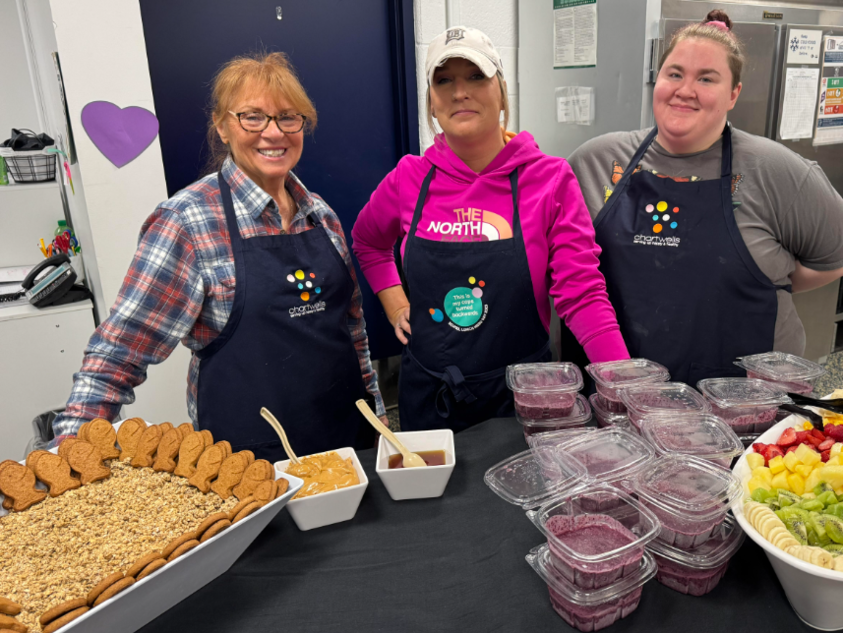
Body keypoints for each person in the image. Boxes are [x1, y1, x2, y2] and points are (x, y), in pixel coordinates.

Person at [52, 52, 382, 458]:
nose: (273, 132)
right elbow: (118, 354)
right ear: (222, 126)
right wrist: (70, 456)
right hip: (249, 464)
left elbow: (352, 331)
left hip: (349, 447)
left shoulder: (321, 216)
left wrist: (378, 419)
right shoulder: (187, 222)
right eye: (252, 117)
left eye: (287, 117)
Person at [352, 26, 627, 432]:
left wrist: (621, 381)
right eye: (444, 81)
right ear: (432, 103)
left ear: (501, 92)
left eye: (476, 76)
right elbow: (368, 242)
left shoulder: (549, 179)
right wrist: (394, 303)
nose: (460, 92)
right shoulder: (410, 178)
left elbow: (581, 291)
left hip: (526, 399)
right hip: (431, 399)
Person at [567, 10, 843, 386]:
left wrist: (761, 280)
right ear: (657, 80)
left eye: (706, 78)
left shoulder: (774, 168)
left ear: (733, 94)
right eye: (674, 74)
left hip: (742, 395)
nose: (685, 90)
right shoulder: (595, 162)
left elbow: (842, 255)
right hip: (619, 390)